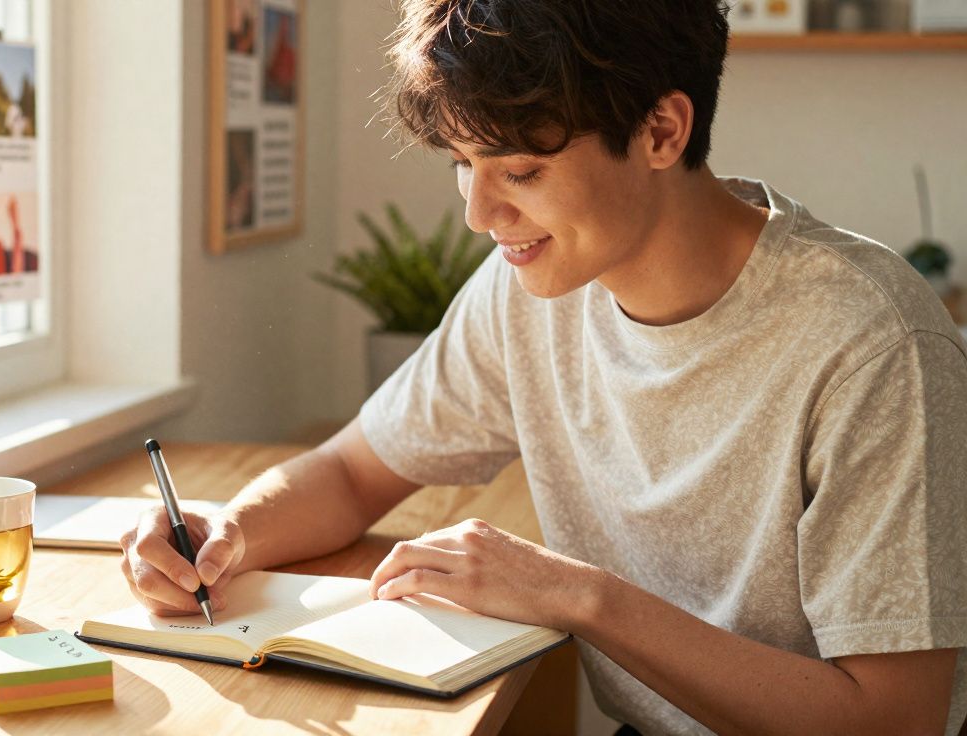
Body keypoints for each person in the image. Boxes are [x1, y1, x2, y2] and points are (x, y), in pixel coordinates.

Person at [119, 1, 967, 733]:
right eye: (463, 165)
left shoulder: (872, 344)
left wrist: (580, 597)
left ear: (662, 131)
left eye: (521, 170)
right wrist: (225, 533)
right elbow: (350, 470)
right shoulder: (528, 289)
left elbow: (893, 721)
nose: (480, 214)